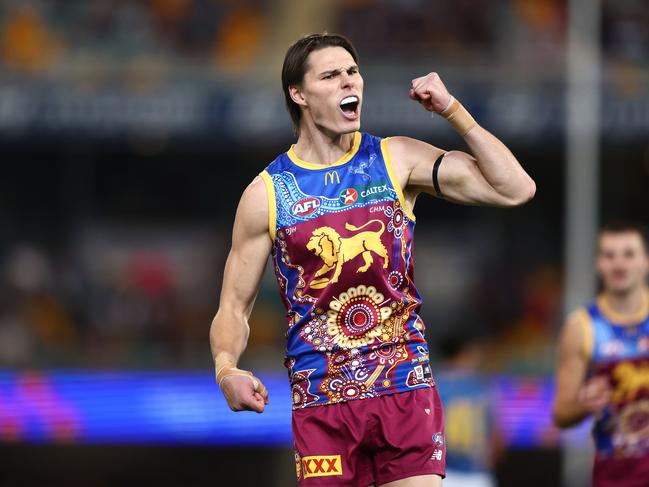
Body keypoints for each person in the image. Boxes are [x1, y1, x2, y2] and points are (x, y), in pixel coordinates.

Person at [210, 33, 535, 487]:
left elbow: (514, 188)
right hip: (321, 400)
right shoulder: (265, 195)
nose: (350, 83)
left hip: (405, 386)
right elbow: (233, 308)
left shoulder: (396, 159)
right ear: (298, 94)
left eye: (353, 72)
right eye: (331, 75)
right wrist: (227, 369)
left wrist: (452, 111)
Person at [553, 223, 649, 487]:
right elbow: (561, 413)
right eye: (610, 255)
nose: (619, 263)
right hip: (615, 476)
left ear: (645, 262)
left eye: (629, 254)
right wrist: (585, 403)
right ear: (598, 263)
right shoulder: (581, 327)